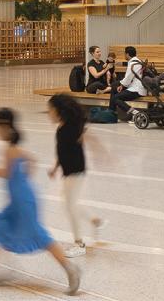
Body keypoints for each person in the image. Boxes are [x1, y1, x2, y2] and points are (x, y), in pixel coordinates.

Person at [0, 108, 80, 295]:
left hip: (22, 202)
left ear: (4, 127)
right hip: (21, 199)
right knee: (2, 227)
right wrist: (24, 180)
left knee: (41, 237)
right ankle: (3, 271)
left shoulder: (9, 150)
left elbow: (6, 173)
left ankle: (70, 268)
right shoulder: (15, 149)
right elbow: (32, 160)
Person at [47, 94, 105, 257]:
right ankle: (94, 220)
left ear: (59, 111)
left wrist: (102, 154)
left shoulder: (71, 128)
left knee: (69, 205)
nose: (48, 114)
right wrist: (55, 167)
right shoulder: (62, 128)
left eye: (50, 110)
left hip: (75, 171)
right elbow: (62, 151)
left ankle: (79, 244)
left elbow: (88, 138)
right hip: (70, 171)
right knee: (69, 202)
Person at [109, 46, 147, 120]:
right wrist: (122, 85)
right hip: (138, 87)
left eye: (124, 54)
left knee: (115, 98)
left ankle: (134, 112)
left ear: (127, 54)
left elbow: (128, 79)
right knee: (114, 88)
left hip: (136, 90)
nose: (124, 55)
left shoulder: (132, 64)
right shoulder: (138, 61)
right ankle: (111, 112)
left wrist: (122, 85)